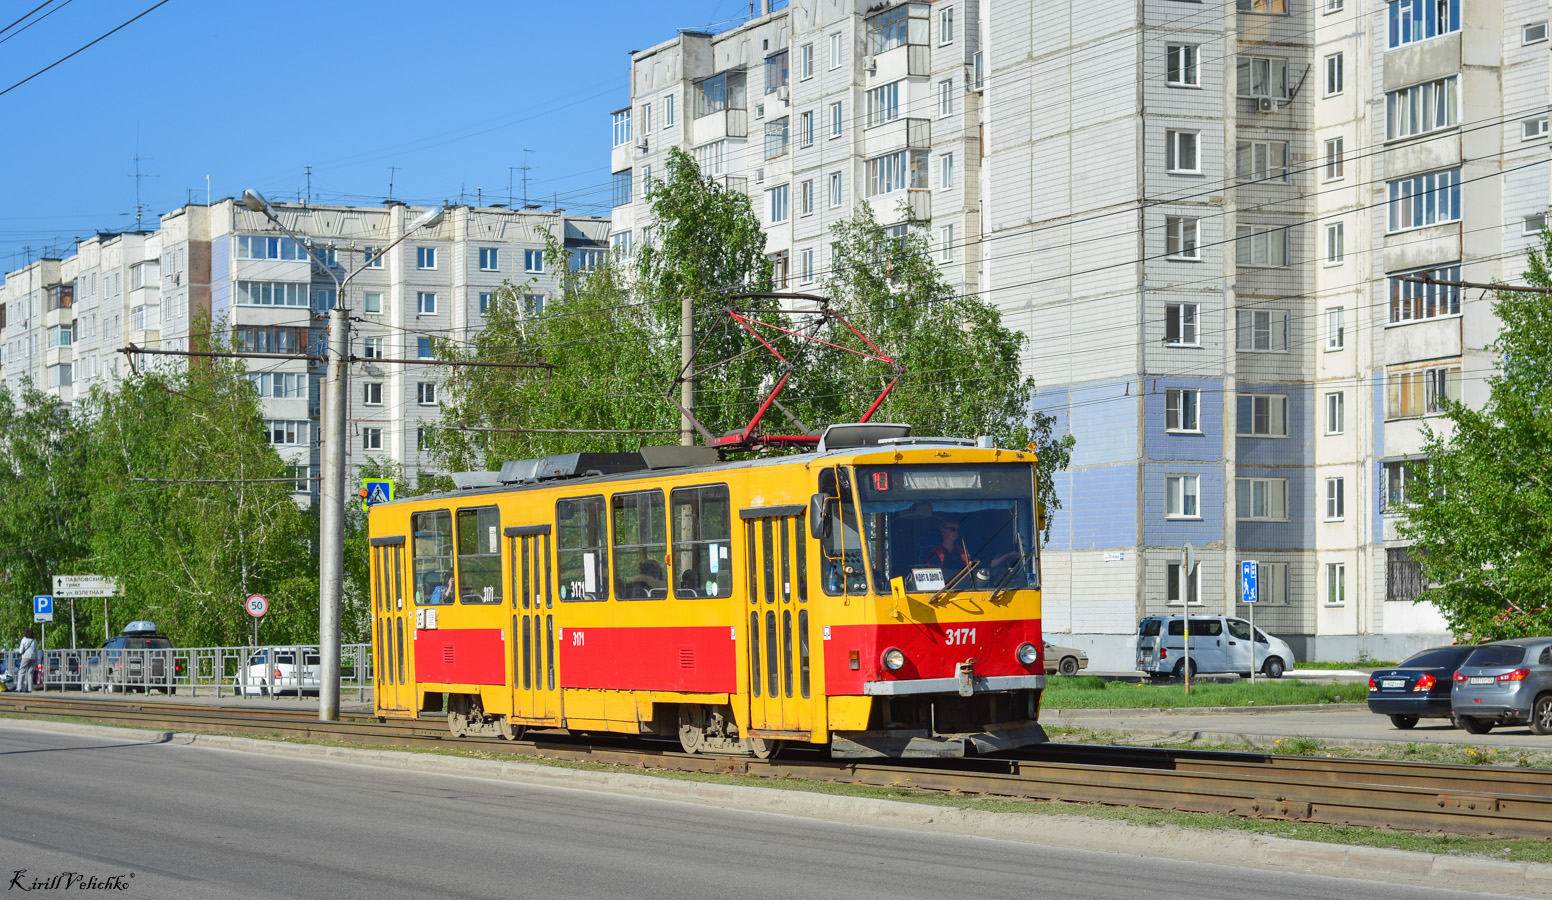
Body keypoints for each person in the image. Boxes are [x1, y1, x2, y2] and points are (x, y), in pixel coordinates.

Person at [16, 627, 38, 693]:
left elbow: (21, 651)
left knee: (21, 672)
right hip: (32, 658)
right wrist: (36, 660)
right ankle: (29, 689)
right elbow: (36, 651)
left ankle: (19, 688)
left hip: (25, 657)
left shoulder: (24, 640)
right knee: (30, 673)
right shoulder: (34, 641)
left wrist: (20, 654)